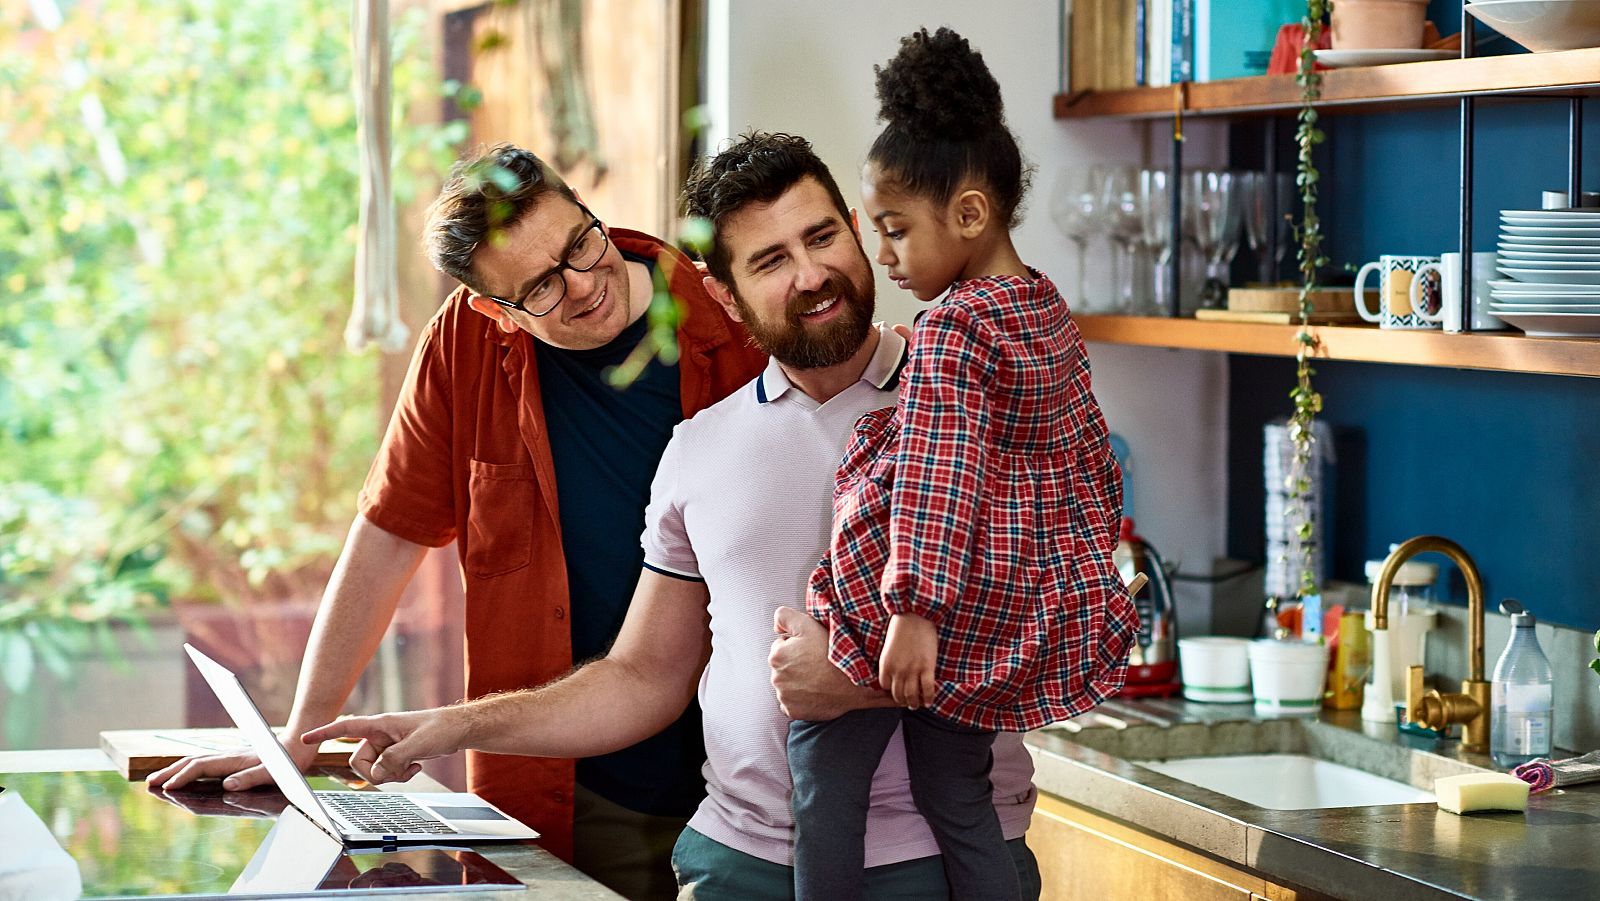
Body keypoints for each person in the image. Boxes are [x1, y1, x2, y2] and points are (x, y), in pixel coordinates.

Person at [298, 131, 1044, 900]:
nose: (809, 274)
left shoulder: (966, 394)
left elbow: (1060, 620)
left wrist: (858, 680)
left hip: (927, 848)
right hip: (705, 840)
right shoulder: (696, 444)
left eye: (822, 238)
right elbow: (643, 670)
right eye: (770, 261)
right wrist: (408, 727)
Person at [147, 143, 768, 900]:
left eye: (579, 244)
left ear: (585, 208)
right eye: (540, 288)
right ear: (493, 308)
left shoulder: (731, 313)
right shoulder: (463, 345)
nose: (582, 285)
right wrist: (299, 739)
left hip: (742, 783)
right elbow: (387, 536)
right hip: (564, 784)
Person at [787, 28, 1142, 901]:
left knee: (824, 773)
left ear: (971, 214)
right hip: (1002, 610)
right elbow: (1089, 452)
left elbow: (939, 475)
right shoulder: (1045, 307)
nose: (883, 256)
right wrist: (1084, 566)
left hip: (918, 604)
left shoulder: (953, 327)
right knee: (957, 789)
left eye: (896, 230)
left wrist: (914, 612)